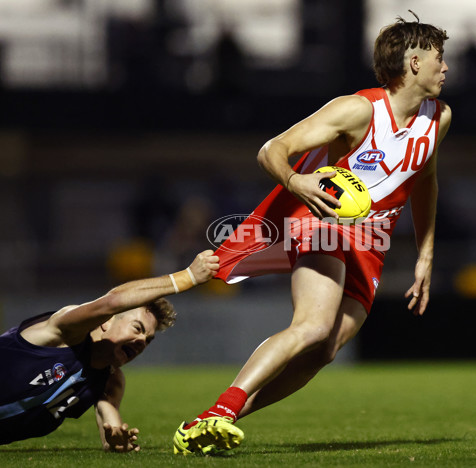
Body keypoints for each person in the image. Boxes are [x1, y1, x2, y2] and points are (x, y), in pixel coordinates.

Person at [173, 14, 451, 455]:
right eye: (439, 58)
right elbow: (272, 150)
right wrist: (297, 182)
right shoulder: (357, 110)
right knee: (312, 326)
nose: (446, 67)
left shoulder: (439, 117)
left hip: (371, 243)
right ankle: (219, 413)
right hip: (322, 222)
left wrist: (426, 253)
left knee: (325, 349)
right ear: (413, 63)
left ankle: (210, 421)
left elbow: (426, 179)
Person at [0, 250, 219, 452]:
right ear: (106, 321)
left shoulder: (109, 380)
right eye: (137, 328)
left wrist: (116, 441)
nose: (142, 341)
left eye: (148, 340)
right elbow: (112, 301)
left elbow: (111, 426)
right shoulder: (65, 332)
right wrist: (187, 277)